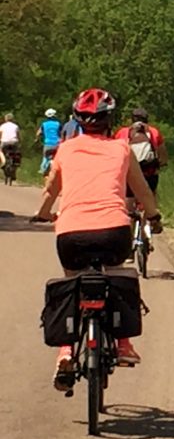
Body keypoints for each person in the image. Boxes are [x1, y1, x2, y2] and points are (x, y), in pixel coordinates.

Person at [33, 88, 162, 390]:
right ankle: (124, 343)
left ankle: (65, 352)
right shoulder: (122, 150)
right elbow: (142, 191)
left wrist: (42, 214)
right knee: (115, 276)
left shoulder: (66, 149)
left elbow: (51, 190)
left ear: (77, 119)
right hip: (115, 231)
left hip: (72, 233)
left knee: (71, 283)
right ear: (109, 120)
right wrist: (153, 216)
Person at [114, 107, 168, 195]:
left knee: (129, 199)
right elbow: (163, 153)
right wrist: (162, 163)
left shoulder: (122, 132)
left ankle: (130, 207)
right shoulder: (154, 132)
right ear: (146, 119)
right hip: (149, 172)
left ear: (132, 119)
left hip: (130, 173)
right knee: (150, 197)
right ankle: (150, 207)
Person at [35, 108, 61, 175]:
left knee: (45, 157)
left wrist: (37, 139)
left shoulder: (44, 124)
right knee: (58, 158)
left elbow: (38, 133)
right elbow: (62, 133)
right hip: (57, 144)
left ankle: (42, 169)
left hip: (47, 144)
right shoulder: (58, 124)